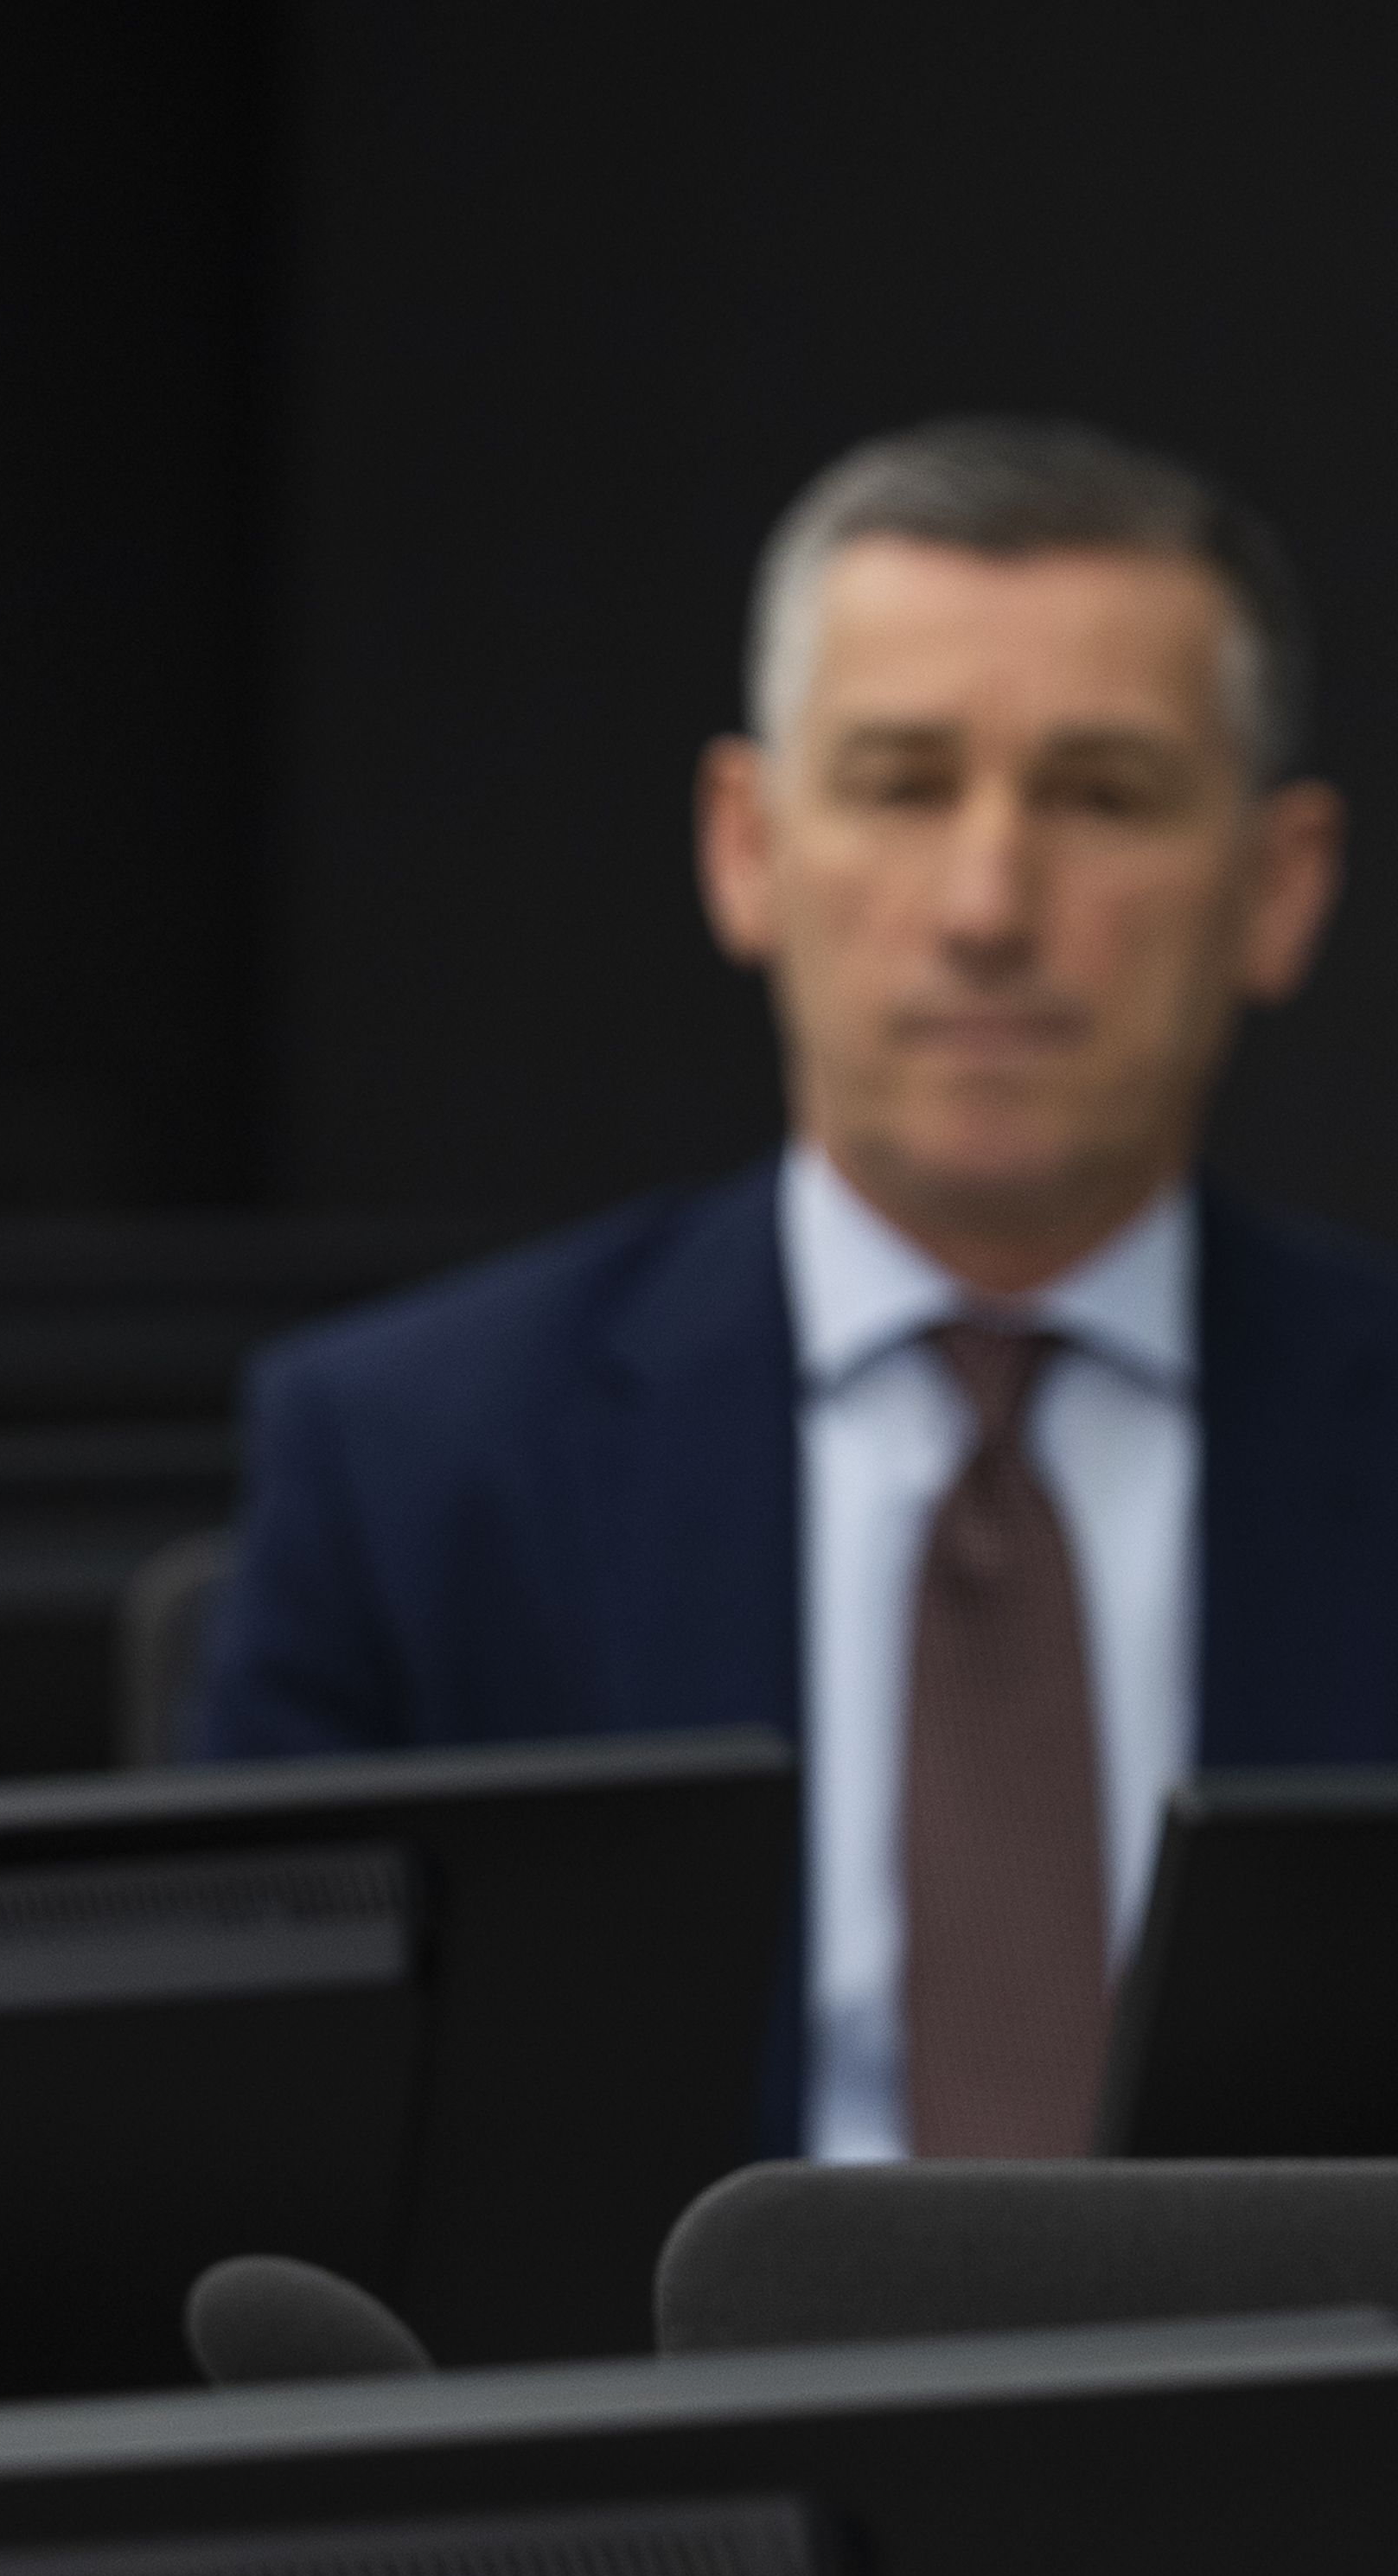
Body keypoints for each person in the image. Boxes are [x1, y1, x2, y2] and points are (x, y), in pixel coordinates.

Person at [197, 417, 1398, 2163]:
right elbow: (260, 2158)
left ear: (1280, 890)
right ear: (746, 846)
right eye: (904, 786)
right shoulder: (411, 1468)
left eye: (1102, 795)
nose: (989, 906)